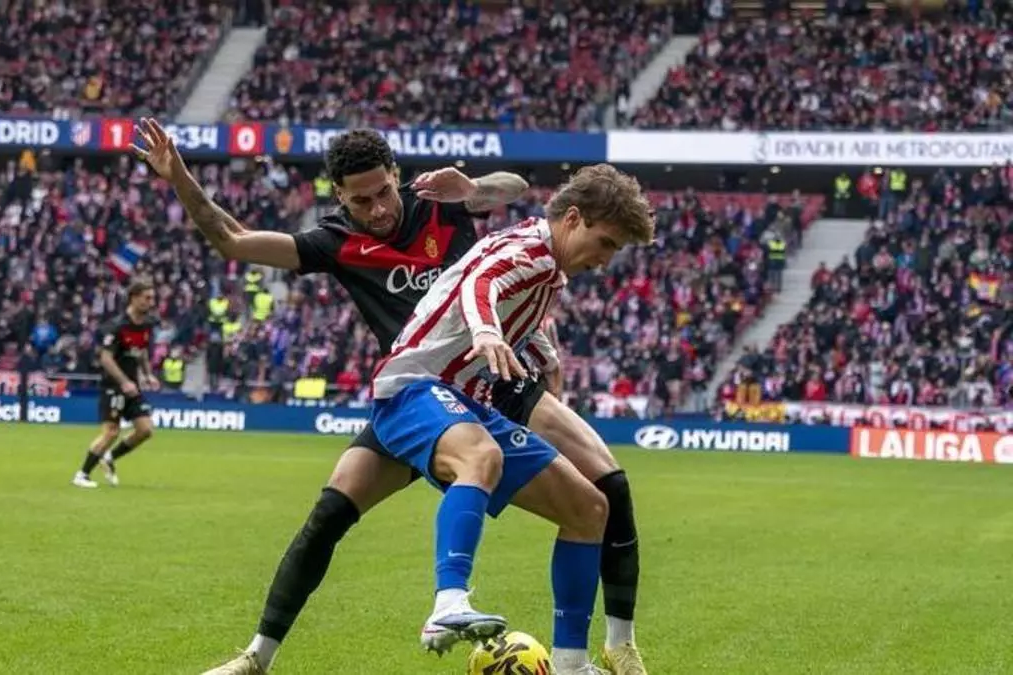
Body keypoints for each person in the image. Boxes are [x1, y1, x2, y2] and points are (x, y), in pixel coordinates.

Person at [131, 118, 649, 674]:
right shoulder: (334, 241)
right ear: (339, 196)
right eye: (362, 200)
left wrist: (473, 188)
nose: (378, 208)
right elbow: (230, 239)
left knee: (600, 497)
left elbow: (518, 190)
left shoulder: (440, 201)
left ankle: (603, 651)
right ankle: (258, 657)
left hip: (489, 384)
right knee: (330, 515)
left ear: (396, 175)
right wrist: (178, 175)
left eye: (384, 192)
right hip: (416, 384)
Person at [368, 165, 655, 673]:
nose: (606, 260)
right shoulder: (529, 251)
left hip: (468, 403)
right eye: (606, 242)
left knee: (590, 509)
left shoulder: (547, 270)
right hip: (412, 388)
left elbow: (513, 308)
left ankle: (571, 664)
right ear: (573, 219)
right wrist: (485, 332)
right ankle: (448, 604)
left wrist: (545, 355)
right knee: (481, 455)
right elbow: (480, 282)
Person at [71, 277, 159, 488]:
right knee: (111, 432)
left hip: (132, 386)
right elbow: (106, 358)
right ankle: (82, 475)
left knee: (145, 430)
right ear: (134, 298)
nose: (151, 302)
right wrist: (124, 382)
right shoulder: (116, 326)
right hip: (113, 386)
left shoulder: (147, 324)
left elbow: (141, 351)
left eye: (152, 298)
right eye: (147, 298)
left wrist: (148, 374)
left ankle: (109, 458)